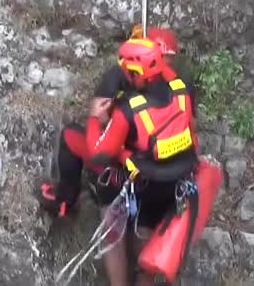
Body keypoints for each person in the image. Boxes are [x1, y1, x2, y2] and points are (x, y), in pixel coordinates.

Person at [38, 27, 197, 219]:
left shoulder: (122, 88)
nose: (166, 61)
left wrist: (95, 118)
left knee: (70, 136)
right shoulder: (180, 86)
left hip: (128, 166)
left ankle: (64, 199)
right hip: (166, 169)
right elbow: (189, 127)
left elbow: (100, 143)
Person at [83, 38, 200, 286]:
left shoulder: (128, 110)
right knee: (148, 263)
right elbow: (190, 129)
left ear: (136, 72)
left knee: (139, 252)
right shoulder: (181, 92)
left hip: (147, 188)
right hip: (177, 183)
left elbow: (98, 153)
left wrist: (94, 119)